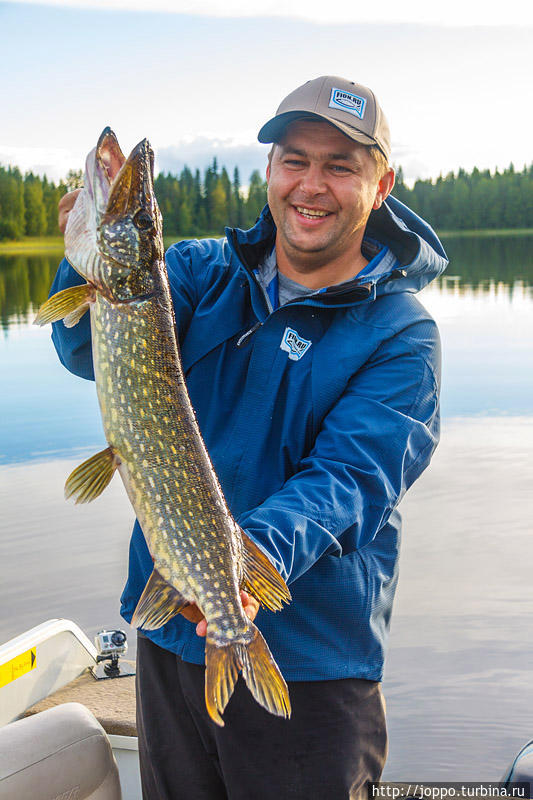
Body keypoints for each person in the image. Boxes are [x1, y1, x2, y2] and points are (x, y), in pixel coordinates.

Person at [52, 75, 448, 800]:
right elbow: (83, 353)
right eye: (294, 159)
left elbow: (347, 483)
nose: (311, 185)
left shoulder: (402, 336)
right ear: (269, 170)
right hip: (172, 632)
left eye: (339, 166)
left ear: (380, 184)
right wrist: (81, 260)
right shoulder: (203, 271)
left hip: (310, 663)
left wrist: (242, 566)